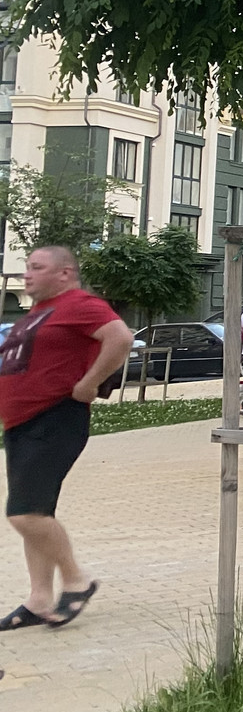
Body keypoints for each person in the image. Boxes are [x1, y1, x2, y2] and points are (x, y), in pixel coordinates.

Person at [1, 245, 134, 630]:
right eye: (27, 267)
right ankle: (39, 599)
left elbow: (120, 337)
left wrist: (89, 383)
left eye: (36, 267)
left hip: (55, 419)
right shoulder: (39, 312)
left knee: (25, 514)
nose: (27, 274)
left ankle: (77, 580)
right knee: (37, 513)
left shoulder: (79, 304)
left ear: (65, 273)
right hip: (22, 424)